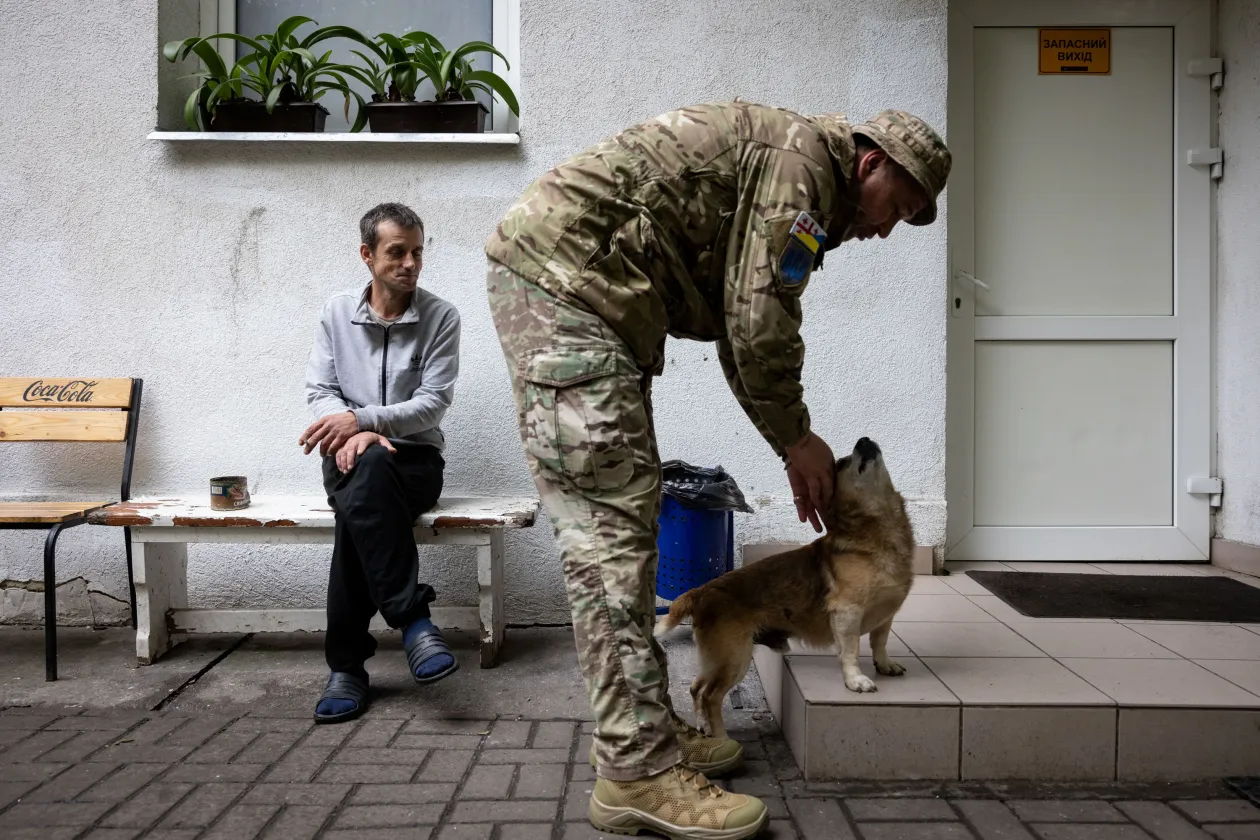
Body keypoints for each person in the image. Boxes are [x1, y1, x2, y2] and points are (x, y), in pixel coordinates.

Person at [486, 102, 949, 839]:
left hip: (592, 304)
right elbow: (759, 320)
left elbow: (742, 321)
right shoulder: (800, 174)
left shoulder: (803, 174)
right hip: (568, 293)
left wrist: (788, 442)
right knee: (610, 542)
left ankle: (646, 733)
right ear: (872, 165)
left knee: (628, 526)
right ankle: (635, 772)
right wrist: (797, 439)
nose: (889, 227)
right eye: (900, 206)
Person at [302, 202, 462, 724]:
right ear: (368, 256)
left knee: (359, 510)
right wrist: (351, 430)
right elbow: (321, 390)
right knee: (364, 479)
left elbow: (433, 403)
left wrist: (366, 423)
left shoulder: (441, 317)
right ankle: (413, 620)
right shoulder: (336, 311)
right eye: (397, 252)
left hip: (415, 462)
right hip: (347, 455)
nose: (411, 263)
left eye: (418, 251)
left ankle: (347, 669)